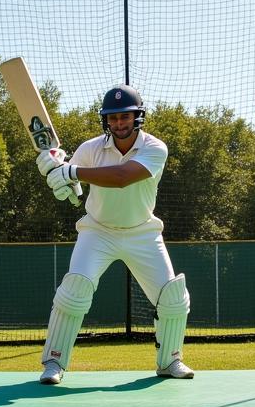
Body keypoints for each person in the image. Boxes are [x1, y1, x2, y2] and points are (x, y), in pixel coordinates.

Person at [35, 85, 194, 385]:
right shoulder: (90, 149)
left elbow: (121, 178)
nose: (119, 124)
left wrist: (70, 173)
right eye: (113, 118)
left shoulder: (155, 148)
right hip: (98, 231)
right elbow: (73, 188)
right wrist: (58, 178)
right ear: (105, 121)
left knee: (173, 298)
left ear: (138, 117)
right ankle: (54, 362)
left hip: (142, 232)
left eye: (125, 117)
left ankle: (170, 360)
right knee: (74, 291)